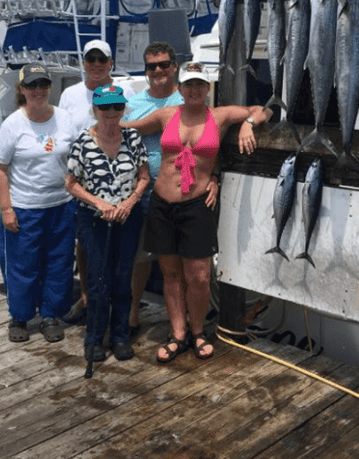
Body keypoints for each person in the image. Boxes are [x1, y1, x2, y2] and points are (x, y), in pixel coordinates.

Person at [122, 61, 271, 363]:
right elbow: (130, 128)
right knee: (172, 274)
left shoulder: (220, 116)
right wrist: (102, 124)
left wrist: (248, 124)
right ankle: (178, 334)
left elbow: (262, 109)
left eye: (199, 85)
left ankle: (199, 331)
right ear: (180, 88)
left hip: (197, 205)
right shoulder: (166, 115)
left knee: (200, 276)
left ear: (207, 88)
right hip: (163, 203)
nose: (193, 90)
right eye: (188, 84)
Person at [0, 63, 78, 343]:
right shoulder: (13, 124)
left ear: (50, 87)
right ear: (22, 89)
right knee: (22, 265)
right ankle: (20, 316)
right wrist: (7, 208)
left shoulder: (65, 118)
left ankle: (50, 315)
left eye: (42, 84)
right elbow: (0, 169)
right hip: (25, 207)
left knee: (59, 262)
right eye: (32, 85)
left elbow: (76, 160)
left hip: (61, 205)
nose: (38, 90)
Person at [66, 85, 149, 362]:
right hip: (94, 219)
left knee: (122, 279)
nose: (111, 113)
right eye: (105, 107)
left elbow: (144, 177)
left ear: (123, 108)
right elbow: (71, 184)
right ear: (95, 110)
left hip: (127, 217)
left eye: (117, 107)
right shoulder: (83, 141)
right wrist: (100, 204)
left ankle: (120, 336)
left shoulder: (133, 138)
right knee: (98, 280)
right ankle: (94, 339)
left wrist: (128, 203)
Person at [59, 39, 136, 324]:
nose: (95, 65)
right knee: (84, 242)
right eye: (90, 60)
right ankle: (87, 297)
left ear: (110, 63)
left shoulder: (125, 90)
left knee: (118, 248)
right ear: (83, 63)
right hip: (81, 181)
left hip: (118, 182)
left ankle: (118, 306)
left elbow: (131, 130)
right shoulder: (70, 93)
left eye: (101, 60)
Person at [123, 41, 184, 334]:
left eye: (163, 64)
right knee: (141, 258)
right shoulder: (133, 104)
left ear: (174, 66)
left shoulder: (189, 99)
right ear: (145, 70)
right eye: (151, 66)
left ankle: (181, 322)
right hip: (144, 191)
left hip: (182, 189)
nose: (158, 70)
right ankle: (133, 313)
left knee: (179, 261)